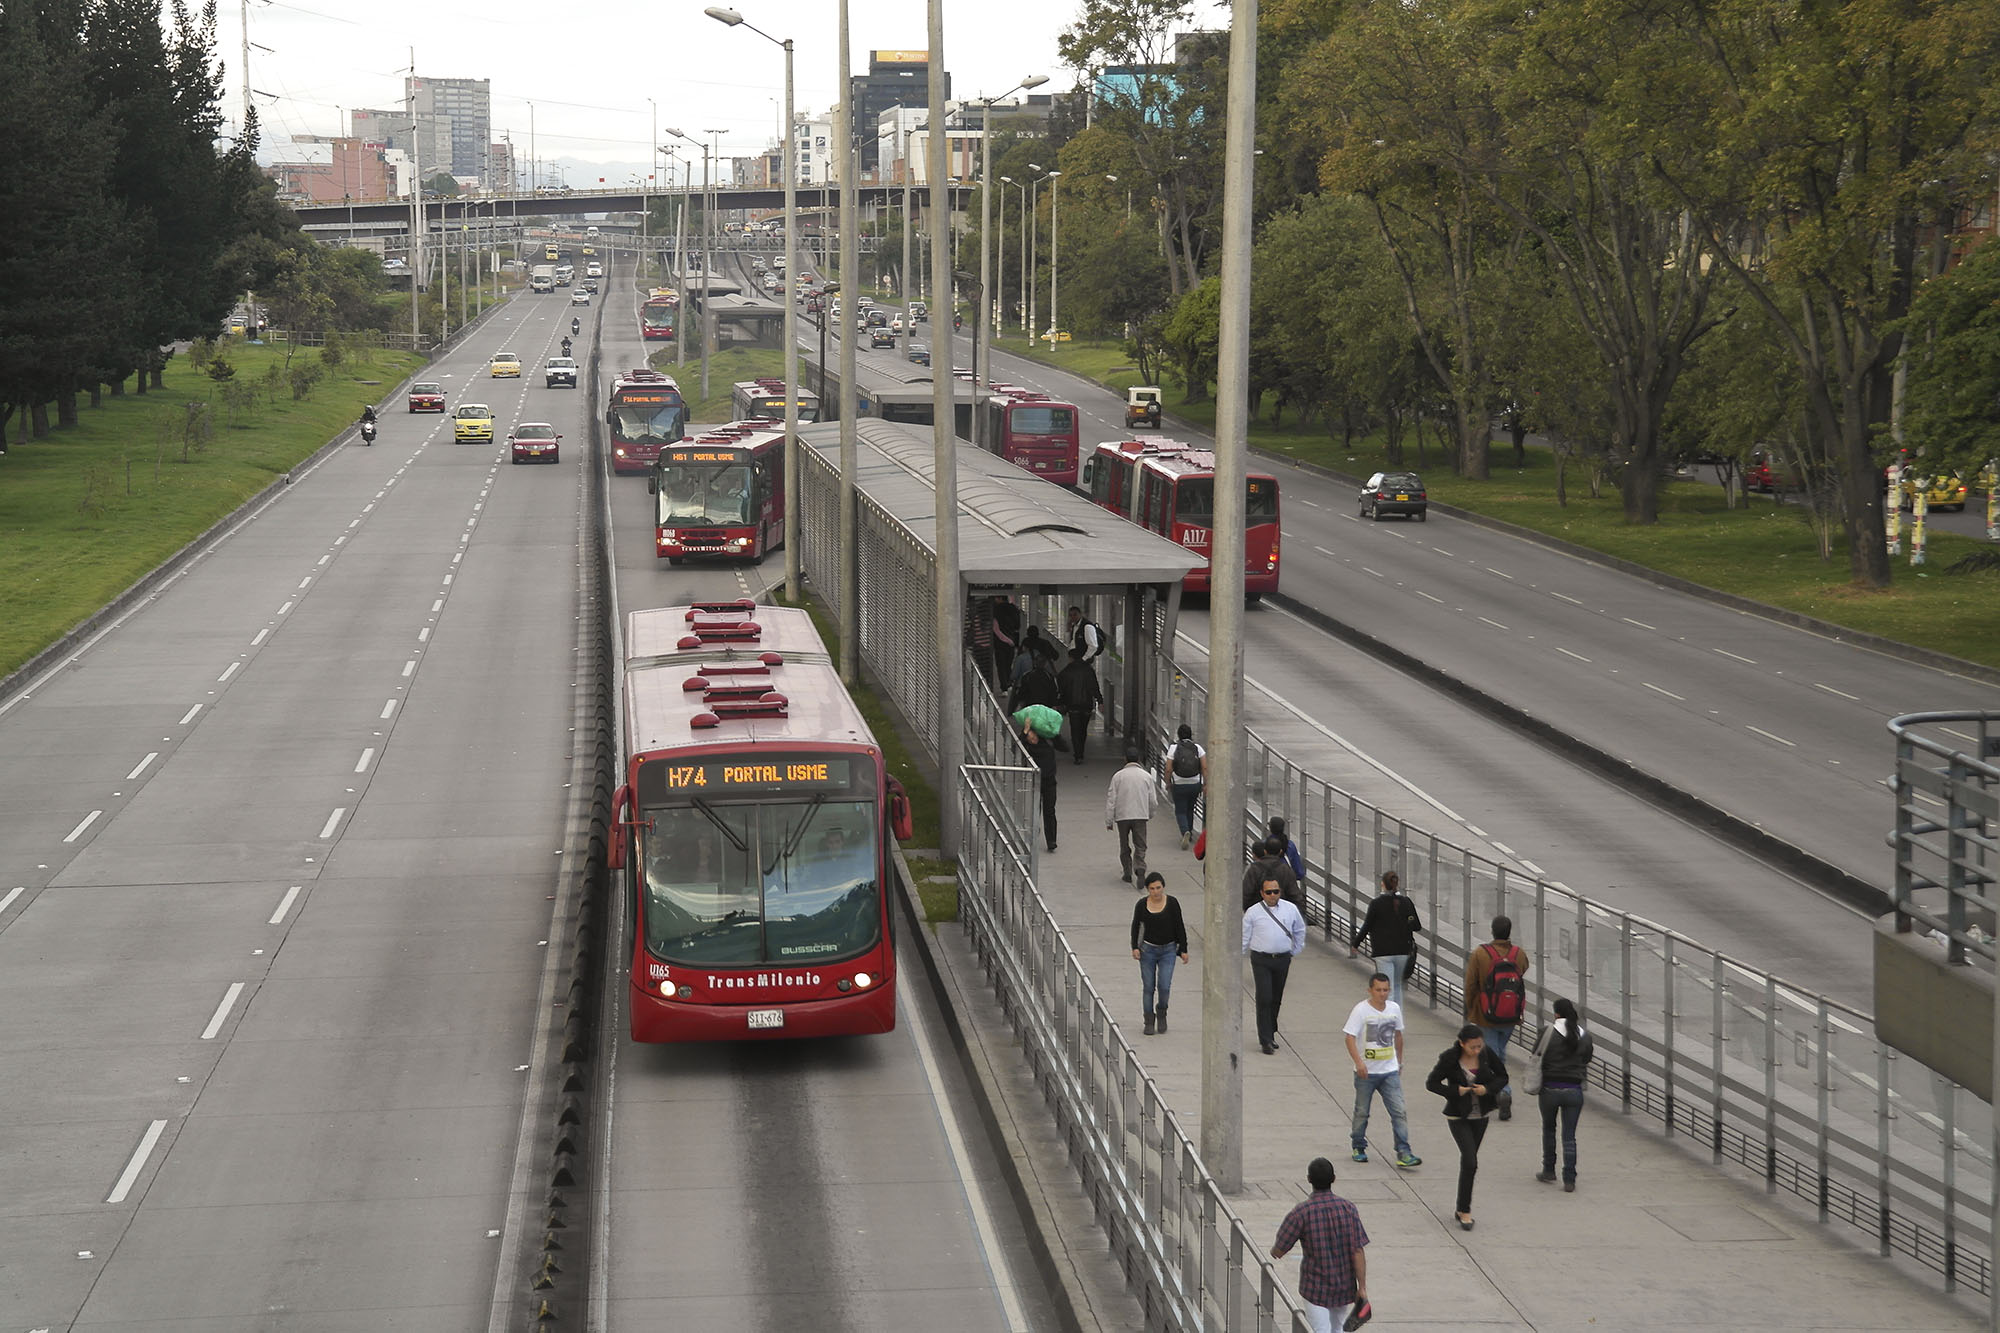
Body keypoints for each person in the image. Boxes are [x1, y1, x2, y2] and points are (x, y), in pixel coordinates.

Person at [1271, 1157, 1369, 1333]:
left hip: (1315, 1288)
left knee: (1319, 1329)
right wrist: (1361, 1287)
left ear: (1309, 1180)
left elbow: (1279, 1250)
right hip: (1343, 1286)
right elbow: (1357, 1251)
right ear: (1334, 1179)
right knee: (1337, 1328)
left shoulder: (1302, 1212)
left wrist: (1275, 1251)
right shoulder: (1348, 1208)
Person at [1424, 1024, 1507, 1229]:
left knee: (1469, 1163)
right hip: (1458, 1115)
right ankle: (1466, 1211)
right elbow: (1432, 1083)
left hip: (1481, 1115)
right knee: (1470, 1161)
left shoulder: (1487, 1055)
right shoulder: (1449, 1058)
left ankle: (1461, 1207)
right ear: (1462, 1044)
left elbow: (1502, 1076)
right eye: (1472, 1047)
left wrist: (1487, 1089)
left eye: (1479, 1046)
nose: (1477, 1050)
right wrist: (1456, 1090)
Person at [1344, 972, 1421, 1170]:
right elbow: (1350, 1037)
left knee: (1399, 1111)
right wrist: (1359, 1062)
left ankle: (1404, 1151)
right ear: (1370, 990)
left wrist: (1399, 1062)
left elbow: (1398, 1036)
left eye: (1385, 990)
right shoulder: (1361, 1010)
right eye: (1378, 990)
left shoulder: (1394, 1008)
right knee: (1362, 1111)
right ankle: (1358, 1145)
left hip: (1389, 1070)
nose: (1382, 994)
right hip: (1366, 1073)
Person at [1464, 914, 1532, 1120]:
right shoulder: (1518, 954)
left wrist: (1470, 1009)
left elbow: (1470, 985)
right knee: (1500, 1051)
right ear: (1509, 932)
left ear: (1492, 931)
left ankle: (1504, 1093)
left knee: (1494, 1056)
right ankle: (1497, 1093)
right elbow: (1523, 970)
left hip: (1486, 1015)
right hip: (1510, 1015)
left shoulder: (1480, 954)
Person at [1535, 997, 1594, 1192]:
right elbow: (1586, 1059)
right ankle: (1569, 1178)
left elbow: (1537, 1055)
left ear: (1556, 1013)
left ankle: (1548, 1170)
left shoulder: (1547, 1032)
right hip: (1574, 1090)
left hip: (1549, 1089)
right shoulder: (1584, 1036)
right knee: (1569, 1136)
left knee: (1549, 1129)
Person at [1242, 877, 1305, 1055]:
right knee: (1264, 997)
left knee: (1276, 998)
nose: (1272, 895)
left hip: (1282, 959)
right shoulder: (1253, 912)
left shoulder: (1290, 909)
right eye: (1268, 892)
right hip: (1261, 959)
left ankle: (1270, 1031)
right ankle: (1265, 1039)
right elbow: (1244, 937)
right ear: (1262, 893)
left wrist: (1295, 950)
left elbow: (1299, 929)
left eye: (1275, 891)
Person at [1350, 870, 1423, 1013]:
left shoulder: (1376, 903)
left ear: (1383, 884)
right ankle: (1397, 1021)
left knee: (1386, 988)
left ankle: (1388, 1019)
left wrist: (1356, 943)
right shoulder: (1406, 902)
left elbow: (1367, 925)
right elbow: (1417, 926)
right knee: (1396, 986)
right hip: (1403, 950)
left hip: (1382, 951)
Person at [1129, 871, 1187, 1035]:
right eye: (1152, 889)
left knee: (1164, 986)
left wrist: (1183, 949)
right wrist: (1134, 947)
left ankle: (1162, 1012)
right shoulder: (1141, 905)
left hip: (1168, 950)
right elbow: (1136, 926)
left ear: (1163, 887)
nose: (1156, 892)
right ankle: (1148, 1020)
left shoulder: (1173, 903)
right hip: (1147, 950)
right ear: (1148, 889)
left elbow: (1179, 926)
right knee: (1148, 987)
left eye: (1158, 888)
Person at [1105, 747, 1156, 885]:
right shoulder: (1146, 776)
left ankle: (1127, 872)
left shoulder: (1118, 776)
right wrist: (1149, 813)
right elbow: (1152, 800)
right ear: (1138, 759)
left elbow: (1111, 799)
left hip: (1122, 816)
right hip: (1140, 815)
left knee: (1124, 844)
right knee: (1140, 845)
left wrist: (1109, 820)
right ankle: (1139, 867)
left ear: (1125, 759)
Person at [1163, 723, 1206, 850]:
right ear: (1191, 735)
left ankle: (1185, 831)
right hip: (1195, 784)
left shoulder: (1174, 748)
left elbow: (1168, 769)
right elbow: (1204, 767)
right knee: (1190, 809)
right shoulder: (1197, 748)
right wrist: (1206, 783)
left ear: (1179, 735)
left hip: (1179, 784)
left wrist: (1167, 782)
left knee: (1180, 810)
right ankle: (1190, 833)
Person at [1057, 648, 1102, 763]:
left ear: (1071, 658)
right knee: (1083, 729)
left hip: (1073, 705)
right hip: (1086, 705)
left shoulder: (1067, 670)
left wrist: (1061, 702)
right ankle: (1080, 750)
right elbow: (1094, 687)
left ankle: (1078, 754)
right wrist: (1100, 700)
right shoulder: (1088, 670)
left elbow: (1061, 686)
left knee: (1075, 730)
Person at [1240, 835, 1303, 912]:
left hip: (1258, 913)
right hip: (1281, 913)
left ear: (1265, 851)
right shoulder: (1286, 869)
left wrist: (1250, 911)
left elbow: (1246, 894)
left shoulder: (1254, 869)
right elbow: (1295, 895)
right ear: (1280, 852)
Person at [1024, 722, 1059, 853]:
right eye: (1029, 738)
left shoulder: (1047, 746)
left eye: (1033, 737)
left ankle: (1051, 840)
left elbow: (1061, 744)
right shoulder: (1027, 749)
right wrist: (1025, 731)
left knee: (1049, 811)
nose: (1032, 740)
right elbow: (1016, 744)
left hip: (1049, 783)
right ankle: (1032, 838)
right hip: (1035, 783)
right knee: (1034, 811)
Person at [1010, 646, 1061, 714]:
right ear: (1045, 664)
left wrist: (1020, 704)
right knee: (1042, 723)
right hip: (1044, 708)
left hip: (1029, 707)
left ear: (1034, 663)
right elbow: (1053, 692)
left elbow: (1022, 692)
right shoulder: (1049, 676)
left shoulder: (1027, 675)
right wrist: (1053, 705)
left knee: (1028, 723)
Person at [991, 595, 1022, 683]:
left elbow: (995, 629)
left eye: (996, 598)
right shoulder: (1014, 609)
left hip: (999, 642)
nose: (995, 600)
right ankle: (1009, 682)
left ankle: (1004, 687)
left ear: (1000, 598)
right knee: (1008, 663)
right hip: (1011, 640)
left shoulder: (995, 609)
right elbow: (1017, 626)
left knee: (1001, 665)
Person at [1268, 816, 1305, 884]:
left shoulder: (1264, 844)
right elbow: (1299, 872)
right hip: (1286, 884)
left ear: (1270, 828)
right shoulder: (1290, 845)